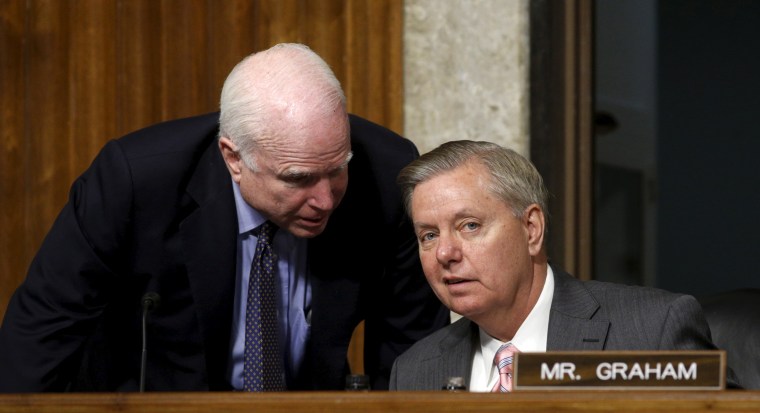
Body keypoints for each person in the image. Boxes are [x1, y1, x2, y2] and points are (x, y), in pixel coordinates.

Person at [0, 43, 449, 392]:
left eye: (337, 169)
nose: (326, 199)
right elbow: (43, 330)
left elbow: (411, 350)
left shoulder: (387, 173)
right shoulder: (136, 181)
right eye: (298, 179)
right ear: (233, 158)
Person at [388, 140, 737, 391]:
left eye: (470, 226)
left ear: (532, 229)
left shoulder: (652, 331)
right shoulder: (415, 371)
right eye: (429, 235)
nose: (445, 253)